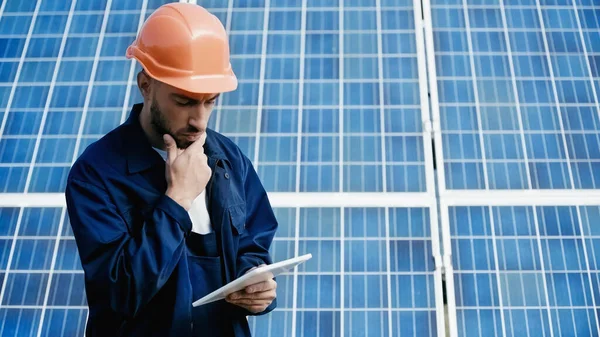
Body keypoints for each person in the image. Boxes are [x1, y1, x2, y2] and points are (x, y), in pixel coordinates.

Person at [65, 3, 278, 337]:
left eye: (210, 101)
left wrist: (259, 286)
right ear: (146, 85)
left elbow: (252, 246)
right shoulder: (95, 175)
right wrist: (176, 199)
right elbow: (122, 293)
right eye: (184, 101)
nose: (200, 120)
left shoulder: (229, 159)